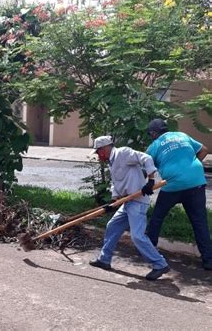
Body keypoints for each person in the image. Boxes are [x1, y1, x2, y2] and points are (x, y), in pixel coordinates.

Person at [89, 135, 170, 281]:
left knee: (137, 236)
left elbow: (146, 158)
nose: (98, 155)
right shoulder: (112, 162)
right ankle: (104, 259)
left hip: (138, 201)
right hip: (128, 202)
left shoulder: (123, 153)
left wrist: (151, 181)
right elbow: (117, 183)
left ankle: (160, 264)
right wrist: (113, 202)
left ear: (105, 148)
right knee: (112, 226)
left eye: (98, 151)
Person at [146, 119, 212, 270]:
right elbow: (204, 150)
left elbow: (146, 166)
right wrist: (191, 166)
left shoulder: (154, 145)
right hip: (196, 182)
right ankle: (208, 260)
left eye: (150, 134)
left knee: (157, 218)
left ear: (154, 133)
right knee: (199, 222)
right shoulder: (182, 135)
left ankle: (148, 251)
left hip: (173, 185)